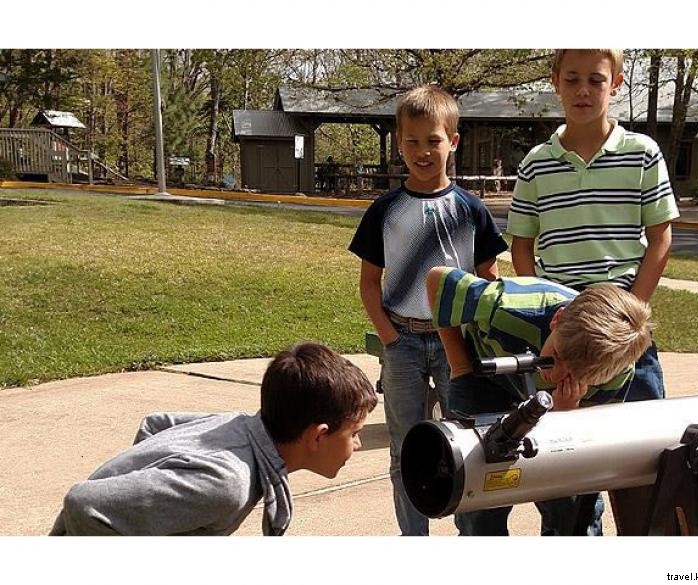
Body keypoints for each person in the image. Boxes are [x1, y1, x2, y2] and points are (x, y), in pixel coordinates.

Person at [506, 49, 679, 533]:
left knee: (647, 449)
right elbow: (522, 245)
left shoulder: (642, 153)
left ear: (616, 82)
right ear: (556, 81)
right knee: (564, 459)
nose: (584, 90)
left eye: (596, 80)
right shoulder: (536, 165)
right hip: (565, 326)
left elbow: (661, 236)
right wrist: (547, 304)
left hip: (624, 327)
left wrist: (633, 313)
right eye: (573, 79)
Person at [348, 85, 508, 536]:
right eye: (412, 141)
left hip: (456, 344)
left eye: (433, 140)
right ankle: (413, 536)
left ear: (452, 142)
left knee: (464, 442)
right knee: (405, 446)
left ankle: (467, 530)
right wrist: (390, 338)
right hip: (402, 343)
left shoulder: (470, 210)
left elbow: (487, 281)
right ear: (399, 143)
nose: (422, 151)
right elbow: (369, 283)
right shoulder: (384, 210)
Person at [50, 343, 377, 536]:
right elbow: (82, 503)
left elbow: (156, 424)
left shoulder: (239, 425)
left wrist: (150, 500)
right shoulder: (227, 483)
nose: (358, 445)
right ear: (318, 436)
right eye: (355, 434)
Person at [426, 266, 653, 536]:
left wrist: (566, 414)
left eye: (576, 375)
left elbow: (589, 439)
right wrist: (460, 364)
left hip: (564, 406)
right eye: (556, 357)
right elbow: (437, 280)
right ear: (558, 318)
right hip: (484, 380)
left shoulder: (613, 370)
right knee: (479, 490)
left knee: (573, 501)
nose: (556, 374)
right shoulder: (506, 305)